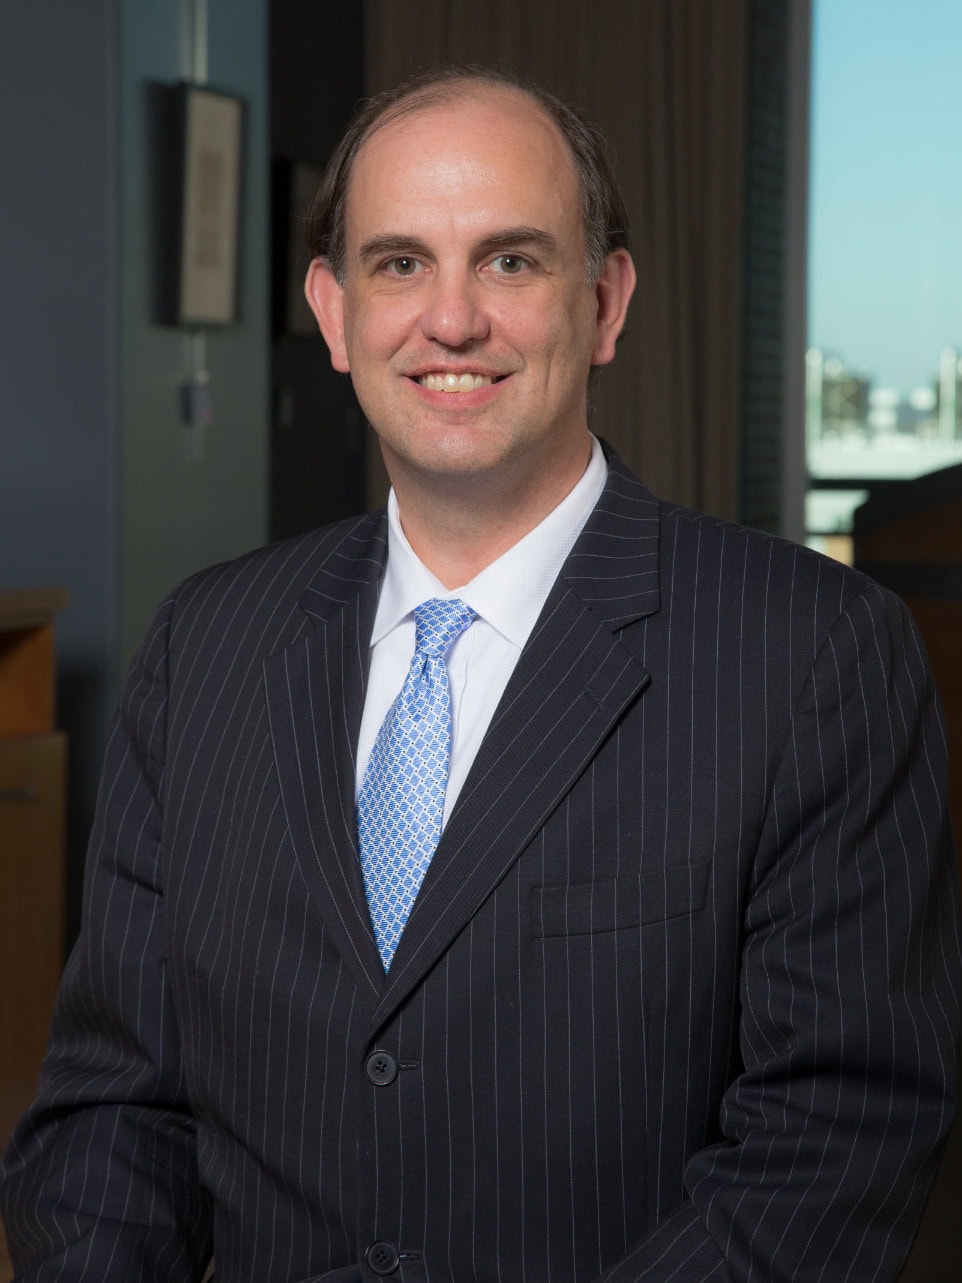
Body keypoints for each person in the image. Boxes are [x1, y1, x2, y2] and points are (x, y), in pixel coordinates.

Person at [2, 64, 961, 1283]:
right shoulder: (206, 647)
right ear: (335, 314)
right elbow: (111, 1112)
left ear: (605, 302)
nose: (450, 321)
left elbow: (834, 1145)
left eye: (509, 261)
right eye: (400, 263)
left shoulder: (812, 651)